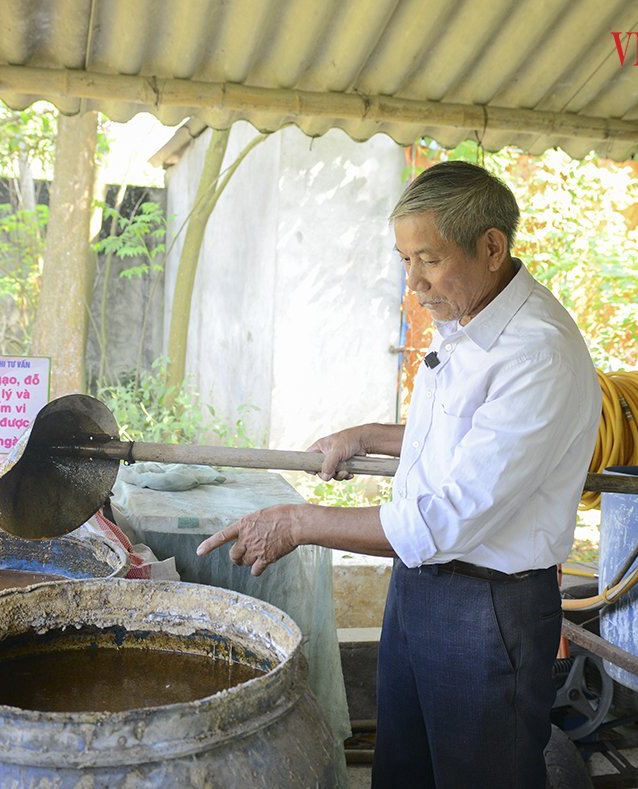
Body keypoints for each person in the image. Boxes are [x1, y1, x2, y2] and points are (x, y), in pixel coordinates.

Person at [197, 161, 600, 788]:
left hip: (488, 607)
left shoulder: (535, 352)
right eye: (404, 260)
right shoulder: (466, 321)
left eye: (429, 260)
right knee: (403, 771)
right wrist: (367, 435)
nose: (413, 282)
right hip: (422, 589)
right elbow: (460, 439)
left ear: (492, 247)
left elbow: (449, 516)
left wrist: (299, 522)